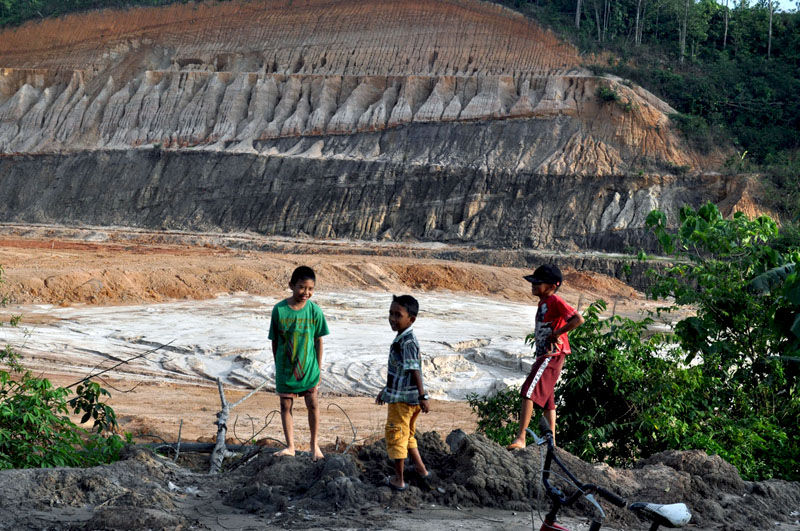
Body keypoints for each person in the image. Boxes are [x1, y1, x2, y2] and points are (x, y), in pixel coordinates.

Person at [507, 264, 584, 450]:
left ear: (552, 286)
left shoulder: (555, 300)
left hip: (552, 354)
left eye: (538, 283)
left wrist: (558, 333)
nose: (533, 286)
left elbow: (578, 319)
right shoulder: (544, 302)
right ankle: (553, 443)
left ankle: (521, 438)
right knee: (548, 400)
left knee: (528, 391)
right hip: (547, 354)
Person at [268, 265, 329, 461]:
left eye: (310, 289)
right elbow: (275, 340)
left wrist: (318, 368)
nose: (306, 293)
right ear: (291, 286)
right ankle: (291, 446)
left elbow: (319, 340)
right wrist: (279, 365)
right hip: (286, 369)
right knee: (286, 406)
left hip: (309, 368)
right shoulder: (279, 310)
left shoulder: (314, 311)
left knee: (313, 404)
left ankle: (314, 445)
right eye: (302, 288)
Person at [375, 294, 431, 491]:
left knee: (396, 434)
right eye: (390, 313)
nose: (392, 318)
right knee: (406, 435)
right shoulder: (404, 339)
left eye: (397, 315)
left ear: (411, 319)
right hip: (405, 396)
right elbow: (401, 371)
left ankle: (399, 479)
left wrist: (423, 396)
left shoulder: (407, 342)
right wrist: (386, 390)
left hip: (404, 401)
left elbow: (414, 369)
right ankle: (421, 469)